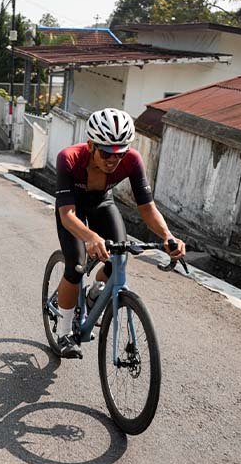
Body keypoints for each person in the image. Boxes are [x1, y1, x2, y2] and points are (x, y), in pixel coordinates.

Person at [54, 108, 186, 359]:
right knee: (76, 266)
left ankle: (95, 294)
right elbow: (66, 215)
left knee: (118, 259)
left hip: (102, 203)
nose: (113, 161)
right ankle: (64, 333)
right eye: (106, 154)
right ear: (91, 144)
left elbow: (147, 208)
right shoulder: (68, 158)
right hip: (72, 209)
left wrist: (168, 237)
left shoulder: (132, 160)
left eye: (119, 154)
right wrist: (90, 237)